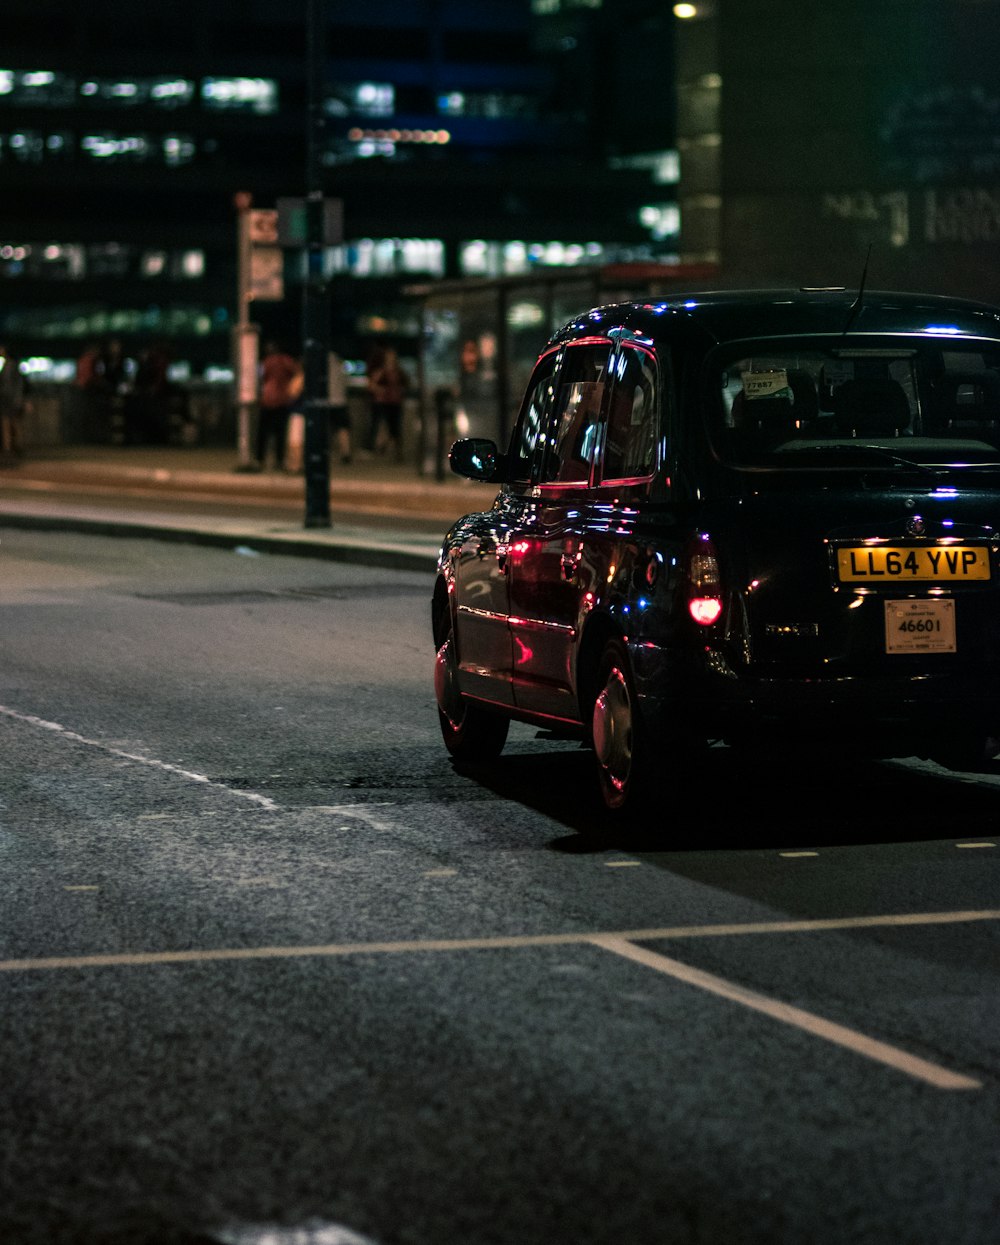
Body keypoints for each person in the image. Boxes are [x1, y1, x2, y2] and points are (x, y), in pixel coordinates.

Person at [257, 341, 302, 471]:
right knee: (280, 432)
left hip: (267, 399)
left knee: (263, 432)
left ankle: (260, 459)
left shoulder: (266, 362)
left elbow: (261, 378)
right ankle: (279, 460)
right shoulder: (286, 361)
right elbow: (297, 372)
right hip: (283, 399)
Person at [367, 346, 409, 459]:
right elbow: (371, 385)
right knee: (380, 424)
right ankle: (378, 446)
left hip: (395, 402)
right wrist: (380, 390)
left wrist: (399, 391)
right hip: (382, 401)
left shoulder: (399, 372)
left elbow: (406, 385)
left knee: (395, 427)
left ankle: (395, 451)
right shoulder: (380, 371)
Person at [0, 344, 30, 462]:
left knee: (12, 424)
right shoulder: (8, 365)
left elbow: (18, 385)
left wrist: (19, 399)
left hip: (10, 400)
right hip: (7, 400)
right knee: (8, 424)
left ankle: (15, 447)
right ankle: (10, 448)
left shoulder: (11, 365)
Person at [328, 349, 352, 464]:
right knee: (342, 429)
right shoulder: (341, 366)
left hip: (327, 403)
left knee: (326, 429)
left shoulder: (322, 368)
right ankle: (345, 453)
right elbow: (346, 384)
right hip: (341, 402)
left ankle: (325, 451)